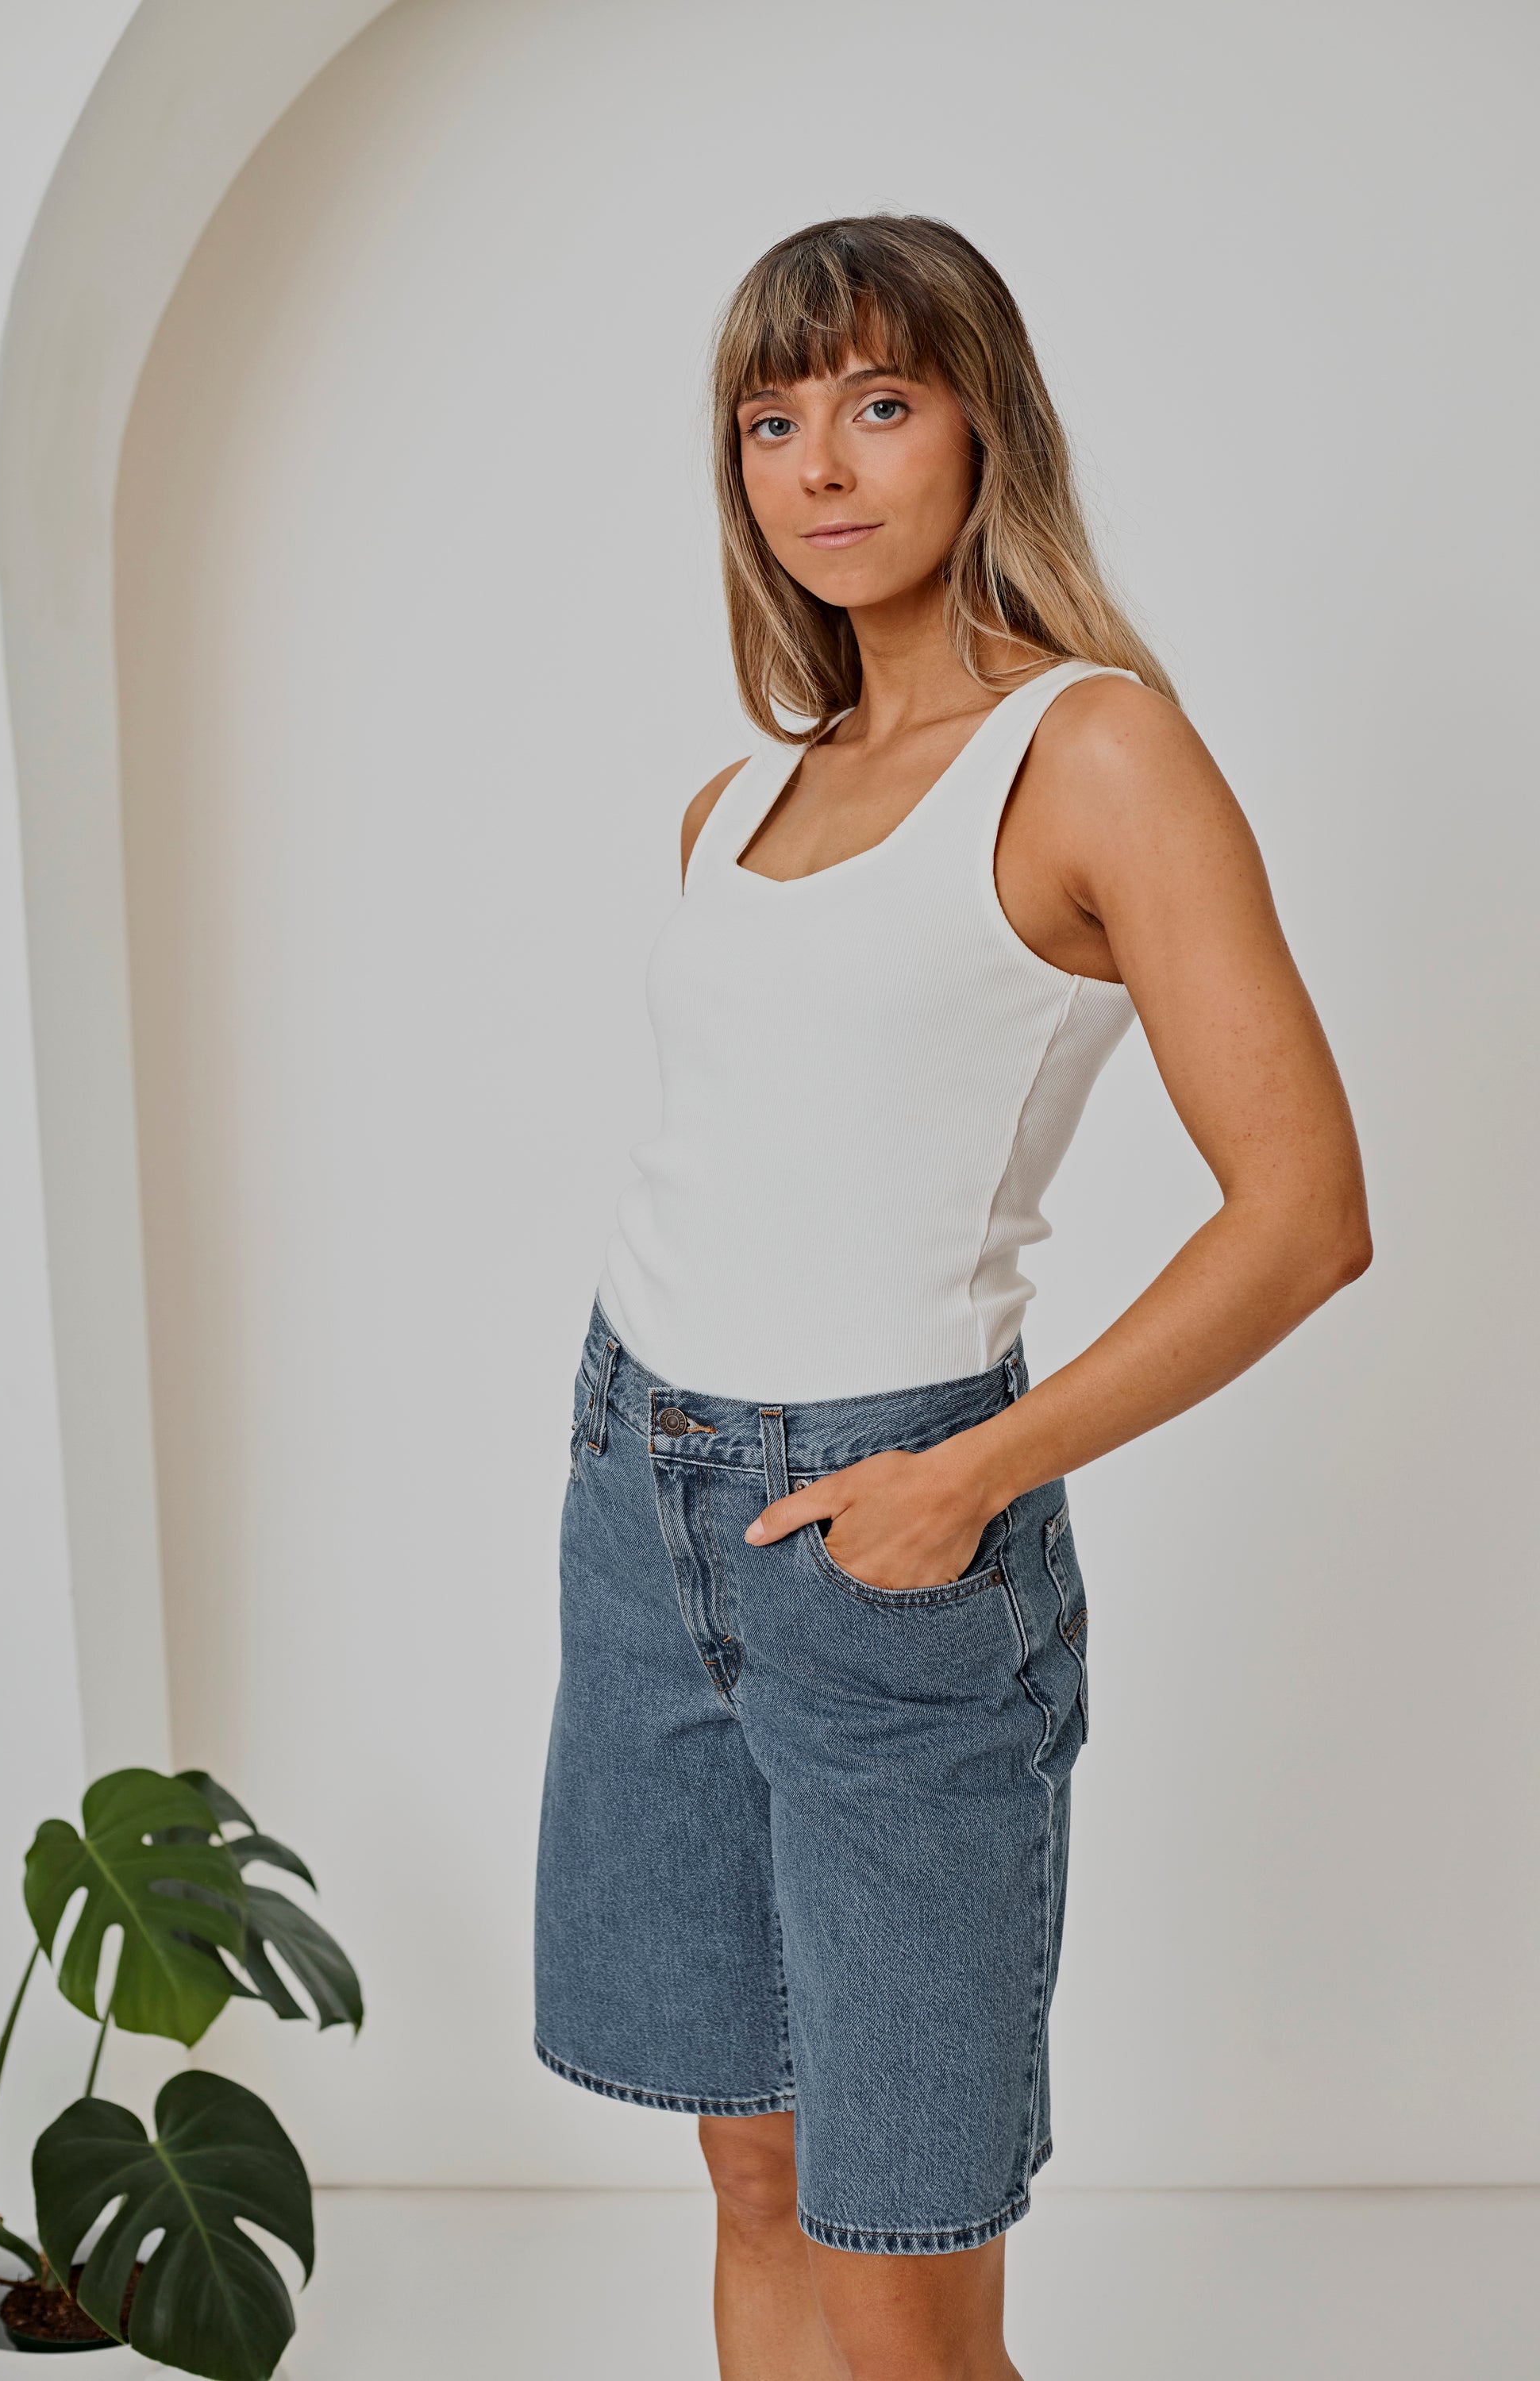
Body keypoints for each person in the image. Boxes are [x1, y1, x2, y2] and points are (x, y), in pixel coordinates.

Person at [533, 214, 1370, 2381]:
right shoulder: (739, 798)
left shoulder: (1094, 752)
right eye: (771, 419)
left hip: (891, 1537)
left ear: (988, 430)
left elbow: (1303, 1214)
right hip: (641, 1494)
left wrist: (971, 1475)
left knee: (899, 2271)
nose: (820, 465)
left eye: (881, 402)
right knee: (752, 2177)